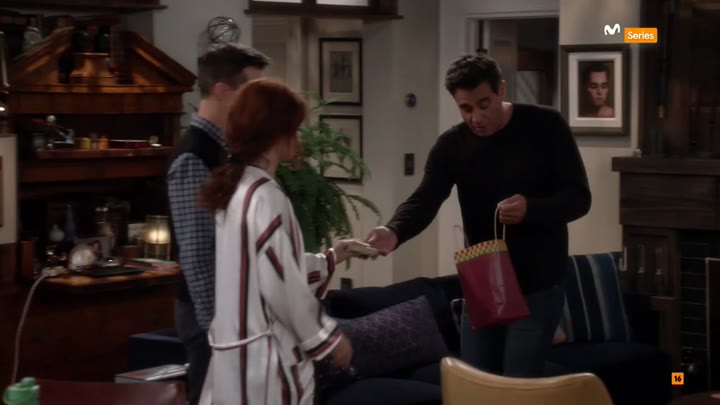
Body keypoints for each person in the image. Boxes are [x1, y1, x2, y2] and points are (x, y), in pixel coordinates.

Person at [365, 53, 591, 378]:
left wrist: (532, 209)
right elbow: (425, 198)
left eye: (484, 104)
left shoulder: (546, 125)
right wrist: (393, 231)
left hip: (538, 282)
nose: (476, 117)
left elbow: (579, 198)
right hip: (483, 281)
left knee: (516, 387)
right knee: (476, 383)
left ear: (501, 90)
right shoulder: (452, 145)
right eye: (466, 108)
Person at [196, 78, 364, 404]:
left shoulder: (236, 189)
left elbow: (267, 268)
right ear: (276, 133)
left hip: (233, 362)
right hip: (264, 367)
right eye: (294, 129)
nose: (298, 138)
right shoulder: (265, 197)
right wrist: (327, 338)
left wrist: (332, 257)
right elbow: (282, 285)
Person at [166, 43, 270, 405]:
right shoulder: (194, 157)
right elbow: (198, 253)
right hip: (211, 317)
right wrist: (219, 328)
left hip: (232, 313)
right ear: (224, 91)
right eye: (251, 93)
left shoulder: (227, 151)